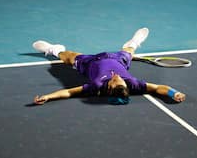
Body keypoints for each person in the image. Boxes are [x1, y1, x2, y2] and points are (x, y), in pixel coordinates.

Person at [33, 27, 186, 105]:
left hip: (90, 63)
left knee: (68, 56)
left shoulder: (96, 86)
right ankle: (134, 42)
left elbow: (68, 93)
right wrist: (174, 93)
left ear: (109, 88)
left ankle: (51, 49)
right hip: (118, 60)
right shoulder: (132, 84)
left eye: (115, 81)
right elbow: (159, 88)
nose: (117, 77)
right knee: (129, 50)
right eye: (121, 80)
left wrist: (47, 97)